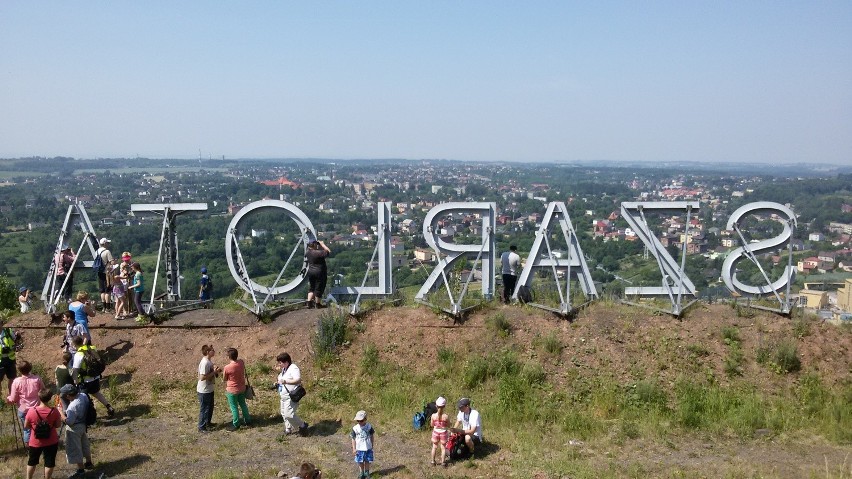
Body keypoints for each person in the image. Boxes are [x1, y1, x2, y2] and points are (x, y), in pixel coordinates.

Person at [70, 336, 115, 417]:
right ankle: (109, 407)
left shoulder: (79, 354)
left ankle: (89, 416)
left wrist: (75, 380)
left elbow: (76, 370)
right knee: (96, 393)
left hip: (85, 381)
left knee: (83, 399)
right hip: (95, 377)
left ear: (74, 345)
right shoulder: (91, 348)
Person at [23, 388, 62, 479]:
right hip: (51, 440)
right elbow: (58, 425)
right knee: (49, 462)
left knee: (32, 461)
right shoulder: (54, 411)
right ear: (50, 398)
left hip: (36, 441)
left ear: (39, 397)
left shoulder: (32, 411)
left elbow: (26, 426)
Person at [58, 384, 93, 478]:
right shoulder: (83, 396)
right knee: (85, 444)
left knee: (75, 448)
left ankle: (81, 470)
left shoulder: (72, 407)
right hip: (83, 424)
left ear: (69, 395)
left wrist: (61, 413)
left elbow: (69, 422)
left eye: (65, 395)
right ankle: (89, 462)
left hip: (74, 429)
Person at [7, 360, 45, 445]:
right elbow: (43, 391)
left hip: (23, 409)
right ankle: (40, 443)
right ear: (30, 368)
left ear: (19, 370)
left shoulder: (16, 381)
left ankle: (30, 447)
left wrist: (8, 398)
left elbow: (13, 398)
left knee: (27, 429)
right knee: (38, 426)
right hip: (36, 407)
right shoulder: (37, 378)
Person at [276, 352, 308, 436]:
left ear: (286, 362)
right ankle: (288, 428)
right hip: (283, 396)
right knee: (283, 413)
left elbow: (298, 380)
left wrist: (286, 381)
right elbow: (282, 381)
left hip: (290, 396)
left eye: (280, 363)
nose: (279, 364)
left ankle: (303, 425)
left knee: (289, 414)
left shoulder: (293, 368)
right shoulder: (284, 369)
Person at [222, 347, 250, 431]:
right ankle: (248, 420)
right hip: (242, 388)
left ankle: (236, 424)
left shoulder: (227, 367)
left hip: (232, 390)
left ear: (229, 357)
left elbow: (224, 378)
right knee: (243, 404)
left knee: (234, 407)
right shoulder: (241, 362)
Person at [197, 344, 221, 433]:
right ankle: (201, 427)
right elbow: (202, 377)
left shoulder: (209, 361)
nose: (214, 351)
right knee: (204, 408)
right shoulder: (205, 363)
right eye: (212, 350)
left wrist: (215, 370)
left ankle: (208, 423)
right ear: (207, 352)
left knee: (210, 407)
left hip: (209, 388)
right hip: (204, 390)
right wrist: (214, 372)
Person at [304, 239, 331, 308]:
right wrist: (322, 244)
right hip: (319, 272)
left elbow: (312, 249)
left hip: (311, 272)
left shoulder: (307, 252)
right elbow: (328, 252)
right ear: (314, 245)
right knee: (319, 287)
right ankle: (317, 304)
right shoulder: (318, 253)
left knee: (312, 287)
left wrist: (316, 246)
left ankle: (308, 303)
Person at [350, 410, 375, 479]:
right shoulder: (355, 428)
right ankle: (361, 473)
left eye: (361, 420)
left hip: (367, 447)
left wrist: (372, 444)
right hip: (359, 449)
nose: (360, 422)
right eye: (358, 421)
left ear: (365, 419)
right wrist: (354, 448)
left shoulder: (369, 426)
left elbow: (372, 435)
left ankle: (366, 472)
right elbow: (353, 438)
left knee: (367, 460)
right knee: (360, 461)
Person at [94, 238, 114, 312]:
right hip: (106, 273)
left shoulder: (97, 251)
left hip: (99, 272)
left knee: (102, 291)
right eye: (107, 243)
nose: (108, 244)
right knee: (107, 291)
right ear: (105, 243)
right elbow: (111, 262)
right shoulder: (107, 251)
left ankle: (103, 307)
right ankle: (108, 308)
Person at [0, 325, 20, 393]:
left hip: (10, 359)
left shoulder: (8, 331)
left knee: (12, 379)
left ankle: (11, 397)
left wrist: (18, 337)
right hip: (0, 361)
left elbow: (16, 341)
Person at [430, 396, 449, 466]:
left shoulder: (433, 416)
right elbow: (448, 425)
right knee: (443, 448)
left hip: (435, 432)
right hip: (443, 433)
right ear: (444, 406)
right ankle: (443, 462)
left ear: (436, 406)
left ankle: (432, 461)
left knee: (434, 447)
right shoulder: (446, 416)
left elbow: (432, 425)